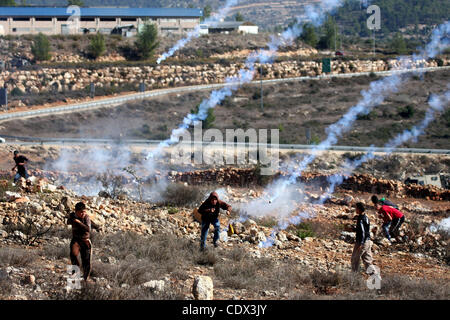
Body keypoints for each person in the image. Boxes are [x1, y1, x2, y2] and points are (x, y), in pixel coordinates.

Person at [67, 202, 92, 282]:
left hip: (85, 241)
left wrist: (78, 222)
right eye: (81, 212)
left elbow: (88, 229)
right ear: (76, 211)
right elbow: (68, 222)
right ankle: (75, 276)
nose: (83, 214)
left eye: (84, 211)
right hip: (76, 240)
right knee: (73, 255)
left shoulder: (86, 218)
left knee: (86, 261)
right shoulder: (73, 216)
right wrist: (71, 218)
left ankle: (86, 278)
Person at [351, 202, 376, 274]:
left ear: (359, 209)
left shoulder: (361, 219)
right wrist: (354, 229)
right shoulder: (366, 217)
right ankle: (375, 277)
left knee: (355, 259)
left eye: (356, 208)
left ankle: (354, 277)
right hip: (367, 241)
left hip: (362, 242)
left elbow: (363, 232)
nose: (355, 209)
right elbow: (365, 230)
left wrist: (361, 243)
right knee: (367, 260)